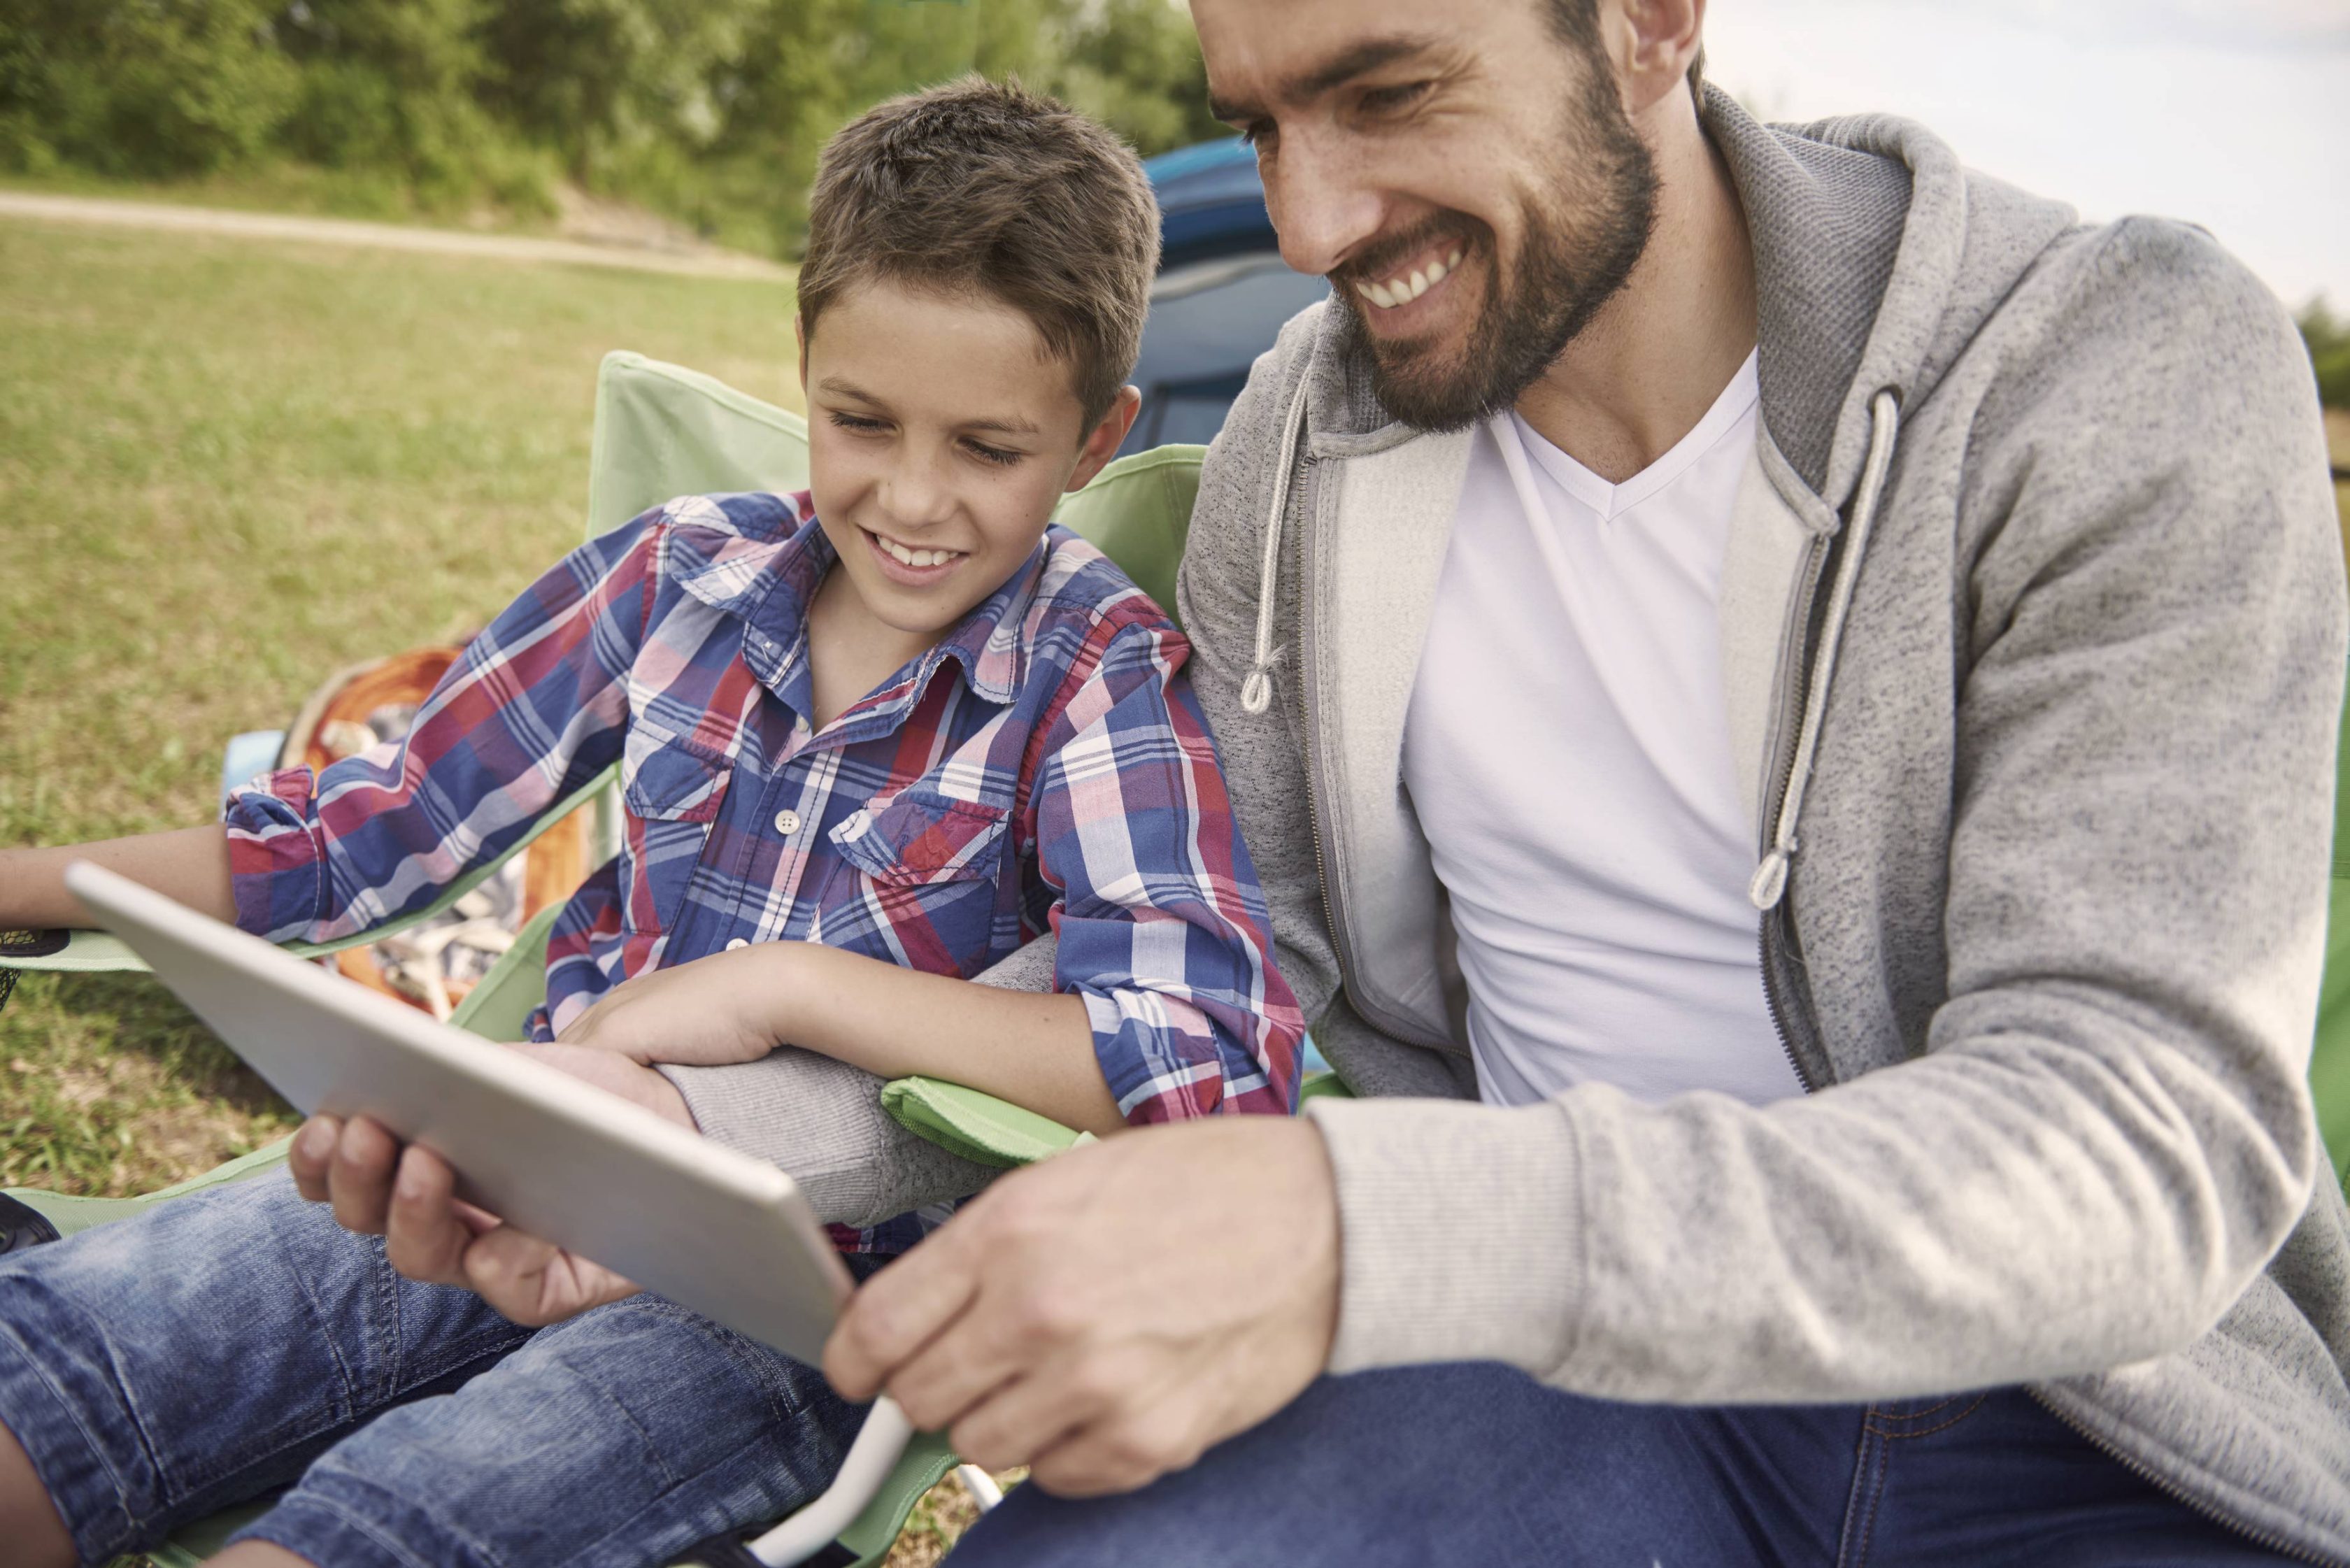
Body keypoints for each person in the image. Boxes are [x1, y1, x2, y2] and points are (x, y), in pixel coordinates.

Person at [186, 1, 2347, 1562]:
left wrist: (1349, 1223)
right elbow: (1212, 1007)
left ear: (1658, 21)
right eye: (1261, 115)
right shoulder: (1318, 441)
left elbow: (2141, 1137)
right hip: (1534, 1403)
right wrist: (682, 1148)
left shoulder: (2112, 365)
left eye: (1387, 92)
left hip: (2091, 1447)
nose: (1310, 216)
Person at [0, 78, 1304, 1568]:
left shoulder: (1093, 675)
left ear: (1094, 438)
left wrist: (791, 989)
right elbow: (362, 831)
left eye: (988, 448)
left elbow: (1206, 1055)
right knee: (71, 1374)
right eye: (860, 419)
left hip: (786, 1306)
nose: (912, 497)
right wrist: (30, 878)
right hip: (517, 1157)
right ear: (805, 365)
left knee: (384, 1532)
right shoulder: (676, 577)